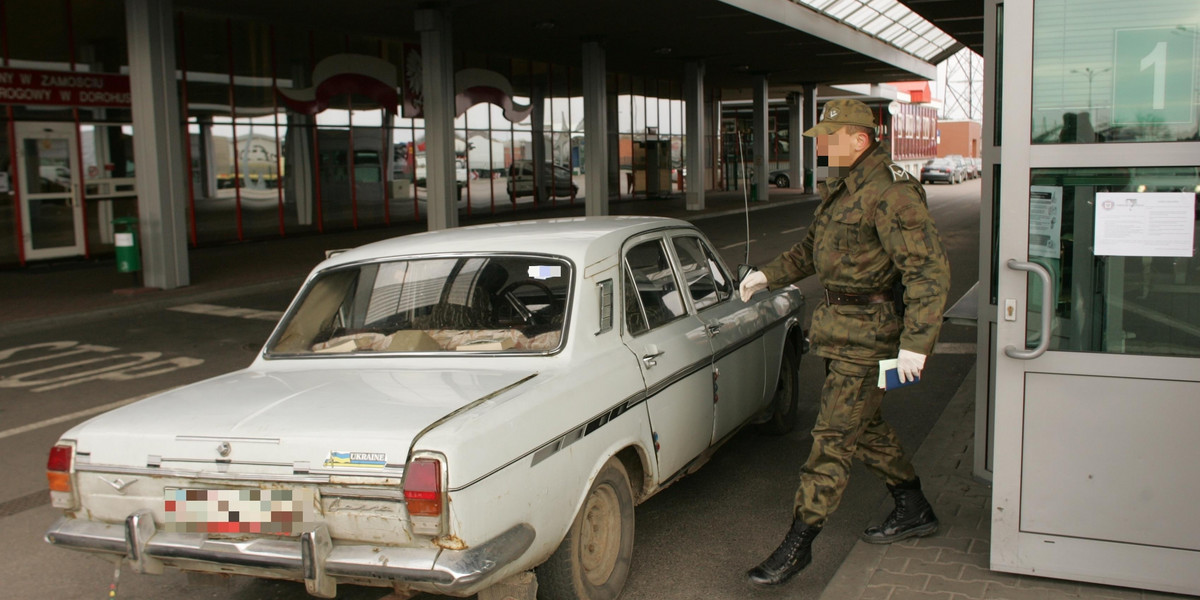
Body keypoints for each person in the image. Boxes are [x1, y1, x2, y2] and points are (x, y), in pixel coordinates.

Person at [738, 98, 951, 587]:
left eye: (830, 140)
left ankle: (799, 544)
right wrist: (765, 275)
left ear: (859, 139)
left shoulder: (891, 193)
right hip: (841, 331)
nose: (823, 149)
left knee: (832, 438)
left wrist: (917, 346)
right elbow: (811, 251)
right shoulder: (841, 189)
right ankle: (913, 505)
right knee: (866, 426)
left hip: (871, 336)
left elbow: (927, 273)